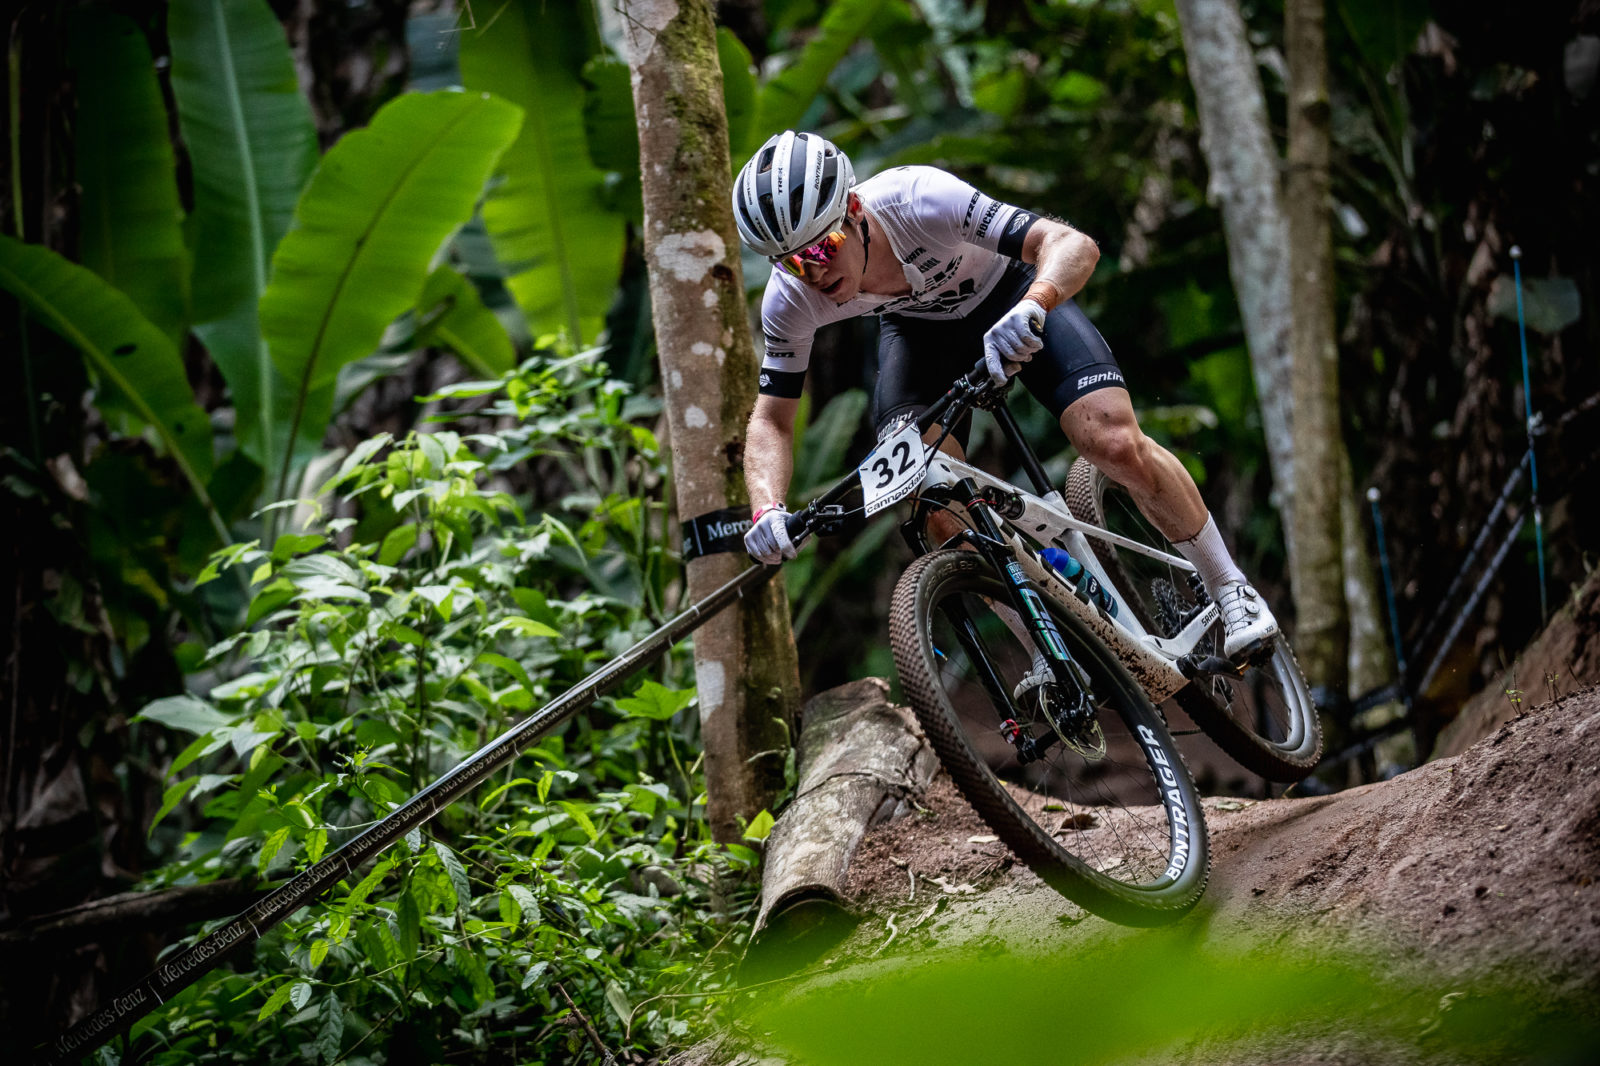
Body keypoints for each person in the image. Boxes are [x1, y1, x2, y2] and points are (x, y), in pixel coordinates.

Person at [733, 130, 1277, 664]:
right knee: (932, 502)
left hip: (1012, 291)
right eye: (793, 262)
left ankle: (1230, 587)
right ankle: (1048, 655)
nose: (814, 271)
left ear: (854, 209)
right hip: (919, 335)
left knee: (1109, 440)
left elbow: (1071, 244)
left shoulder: (918, 200)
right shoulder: (789, 301)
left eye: (823, 247)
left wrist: (1037, 302)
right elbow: (772, 419)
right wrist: (766, 508)